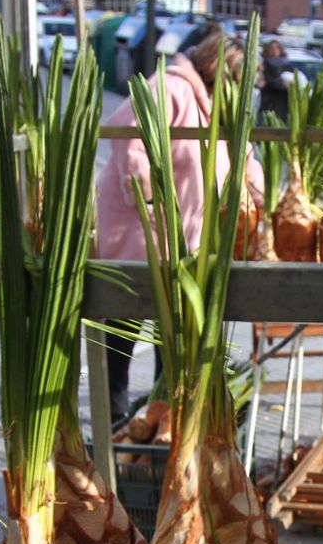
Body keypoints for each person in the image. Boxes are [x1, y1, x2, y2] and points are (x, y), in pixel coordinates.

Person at [95, 30, 267, 424]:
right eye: (238, 81)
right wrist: (149, 199)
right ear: (218, 71)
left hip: (181, 243)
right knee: (123, 329)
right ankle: (113, 422)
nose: (242, 92)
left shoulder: (219, 108)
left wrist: (262, 201)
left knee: (172, 335)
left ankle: (161, 419)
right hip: (138, 233)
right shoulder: (171, 87)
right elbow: (126, 133)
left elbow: (243, 158)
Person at [259, 39, 292, 120]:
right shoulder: (263, 66)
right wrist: (281, 84)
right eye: (271, 48)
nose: (274, 50)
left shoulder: (287, 65)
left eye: (277, 48)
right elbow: (264, 80)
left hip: (284, 101)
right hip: (269, 101)